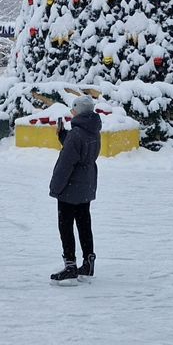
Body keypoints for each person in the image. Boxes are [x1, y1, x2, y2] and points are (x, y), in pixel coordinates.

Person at [48, 97, 101, 283]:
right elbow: (80, 148)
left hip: (71, 186)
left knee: (66, 225)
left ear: (78, 111)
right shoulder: (92, 130)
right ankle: (88, 261)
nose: (71, 112)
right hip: (86, 183)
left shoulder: (77, 134)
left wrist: (55, 187)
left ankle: (70, 265)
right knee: (84, 222)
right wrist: (65, 137)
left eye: (73, 109)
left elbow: (66, 164)